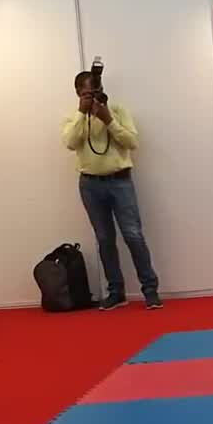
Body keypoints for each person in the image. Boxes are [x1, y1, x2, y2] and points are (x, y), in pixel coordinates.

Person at [59, 71, 162, 310]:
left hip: (120, 181)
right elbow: (70, 143)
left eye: (95, 90)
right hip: (90, 184)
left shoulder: (117, 110)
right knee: (104, 239)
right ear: (77, 93)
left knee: (133, 235)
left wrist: (108, 120)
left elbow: (132, 142)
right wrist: (82, 113)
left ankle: (150, 291)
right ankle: (116, 292)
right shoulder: (72, 118)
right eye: (86, 93)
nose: (92, 96)